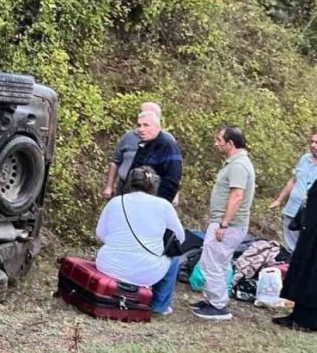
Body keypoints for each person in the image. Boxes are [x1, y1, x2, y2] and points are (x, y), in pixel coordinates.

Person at [95, 166, 186, 315]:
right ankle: (159, 305)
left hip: (108, 266)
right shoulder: (164, 206)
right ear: (154, 184)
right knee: (174, 258)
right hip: (145, 272)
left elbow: (100, 233)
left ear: (129, 183)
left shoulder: (115, 202)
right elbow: (180, 238)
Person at [192, 126, 256, 321]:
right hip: (225, 223)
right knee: (215, 261)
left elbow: (237, 195)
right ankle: (211, 300)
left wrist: (224, 224)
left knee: (213, 263)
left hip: (228, 225)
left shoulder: (239, 165)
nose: (216, 143)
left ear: (230, 143)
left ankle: (218, 305)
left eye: (219, 140)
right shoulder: (235, 163)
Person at [103, 102, 182, 204]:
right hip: (132, 197)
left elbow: (172, 178)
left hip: (154, 200)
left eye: (146, 125)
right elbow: (133, 173)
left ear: (157, 125)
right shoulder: (142, 143)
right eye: (139, 125)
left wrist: (159, 204)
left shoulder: (168, 145)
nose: (141, 129)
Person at [274, 177, 317, 331]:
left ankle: (310, 320)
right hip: (310, 230)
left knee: (313, 275)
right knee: (303, 269)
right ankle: (297, 315)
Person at [269, 130, 317, 253]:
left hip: (309, 214)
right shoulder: (305, 158)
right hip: (291, 209)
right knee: (290, 246)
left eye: (316, 143)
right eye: (311, 142)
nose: (313, 145)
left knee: (305, 248)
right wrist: (279, 200)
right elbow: (293, 180)